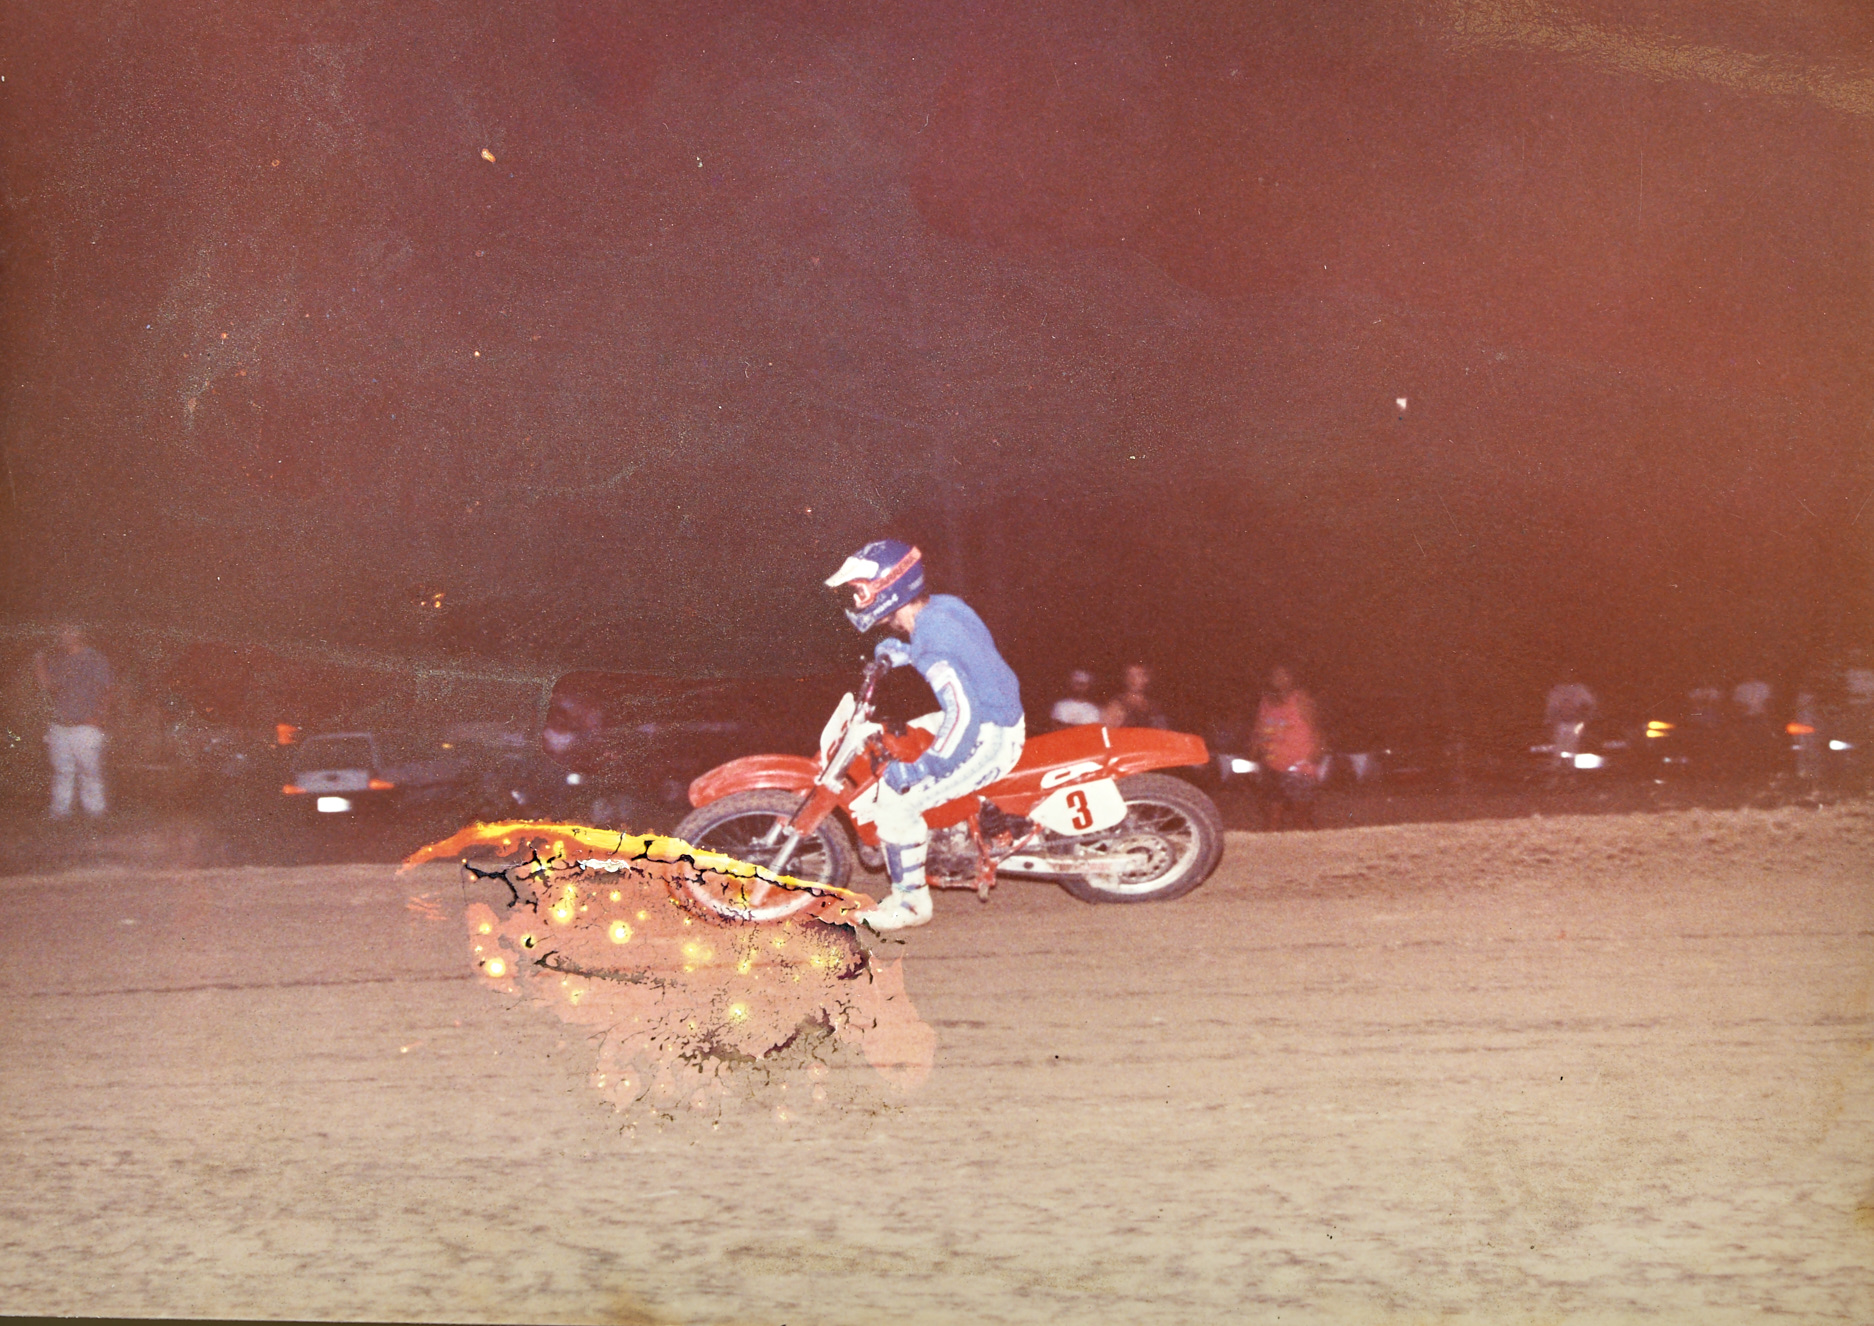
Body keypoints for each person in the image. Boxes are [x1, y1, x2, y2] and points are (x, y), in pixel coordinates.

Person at [824, 540, 1025, 931]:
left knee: (898, 804)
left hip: (991, 732)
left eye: (861, 590)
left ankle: (911, 904)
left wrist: (925, 768)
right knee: (903, 738)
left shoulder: (935, 639)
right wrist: (906, 653)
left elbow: (963, 715)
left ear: (889, 586)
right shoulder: (942, 608)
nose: (858, 599)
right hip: (992, 712)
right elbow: (966, 654)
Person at [34, 626, 114, 822]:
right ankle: (60, 814)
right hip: (61, 725)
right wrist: (39, 664)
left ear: (81, 633)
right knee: (62, 771)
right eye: (62, 631)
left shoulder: (95, 659)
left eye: (70, 631)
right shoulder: (59, 660)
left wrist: (100, 717)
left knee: (90, 771)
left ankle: (95, 814)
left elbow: (108, 689)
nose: (65, 635)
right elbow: (50, 686)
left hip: (86, 725)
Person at [1252, 665, 1324, 830]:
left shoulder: (1300, 699)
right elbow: (1258, 728)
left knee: (1300, 818)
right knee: (1272, 819)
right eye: (1276, 675)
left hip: (1299, 765)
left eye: (1284, 675)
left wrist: (1316, 751)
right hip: (1272, 764)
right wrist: (1254, 754)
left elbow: (1317, 727)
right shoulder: (1265, 702)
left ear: (1292, 678)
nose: (1280, 680)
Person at [1544, 672, 1597, 767]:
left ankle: (1571, 768)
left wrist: (1585, 718)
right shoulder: (1557, 690)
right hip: (1560, 723)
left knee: (1573, 748)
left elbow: (1590, 704)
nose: (1567, 676)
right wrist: (1551, 720)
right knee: (1559, 749)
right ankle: (1558, 768)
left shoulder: (1580, 689)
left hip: (1575, 723)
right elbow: (1551, 708)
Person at [1101, 662, 1169, 729]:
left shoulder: (1153, 705)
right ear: (1125, 678)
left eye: (1139, 675)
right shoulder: (1117, 704)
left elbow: (1162, 730)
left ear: (1147, 678)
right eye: (1131, 676)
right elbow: (1108, 729)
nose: (1133, 680)